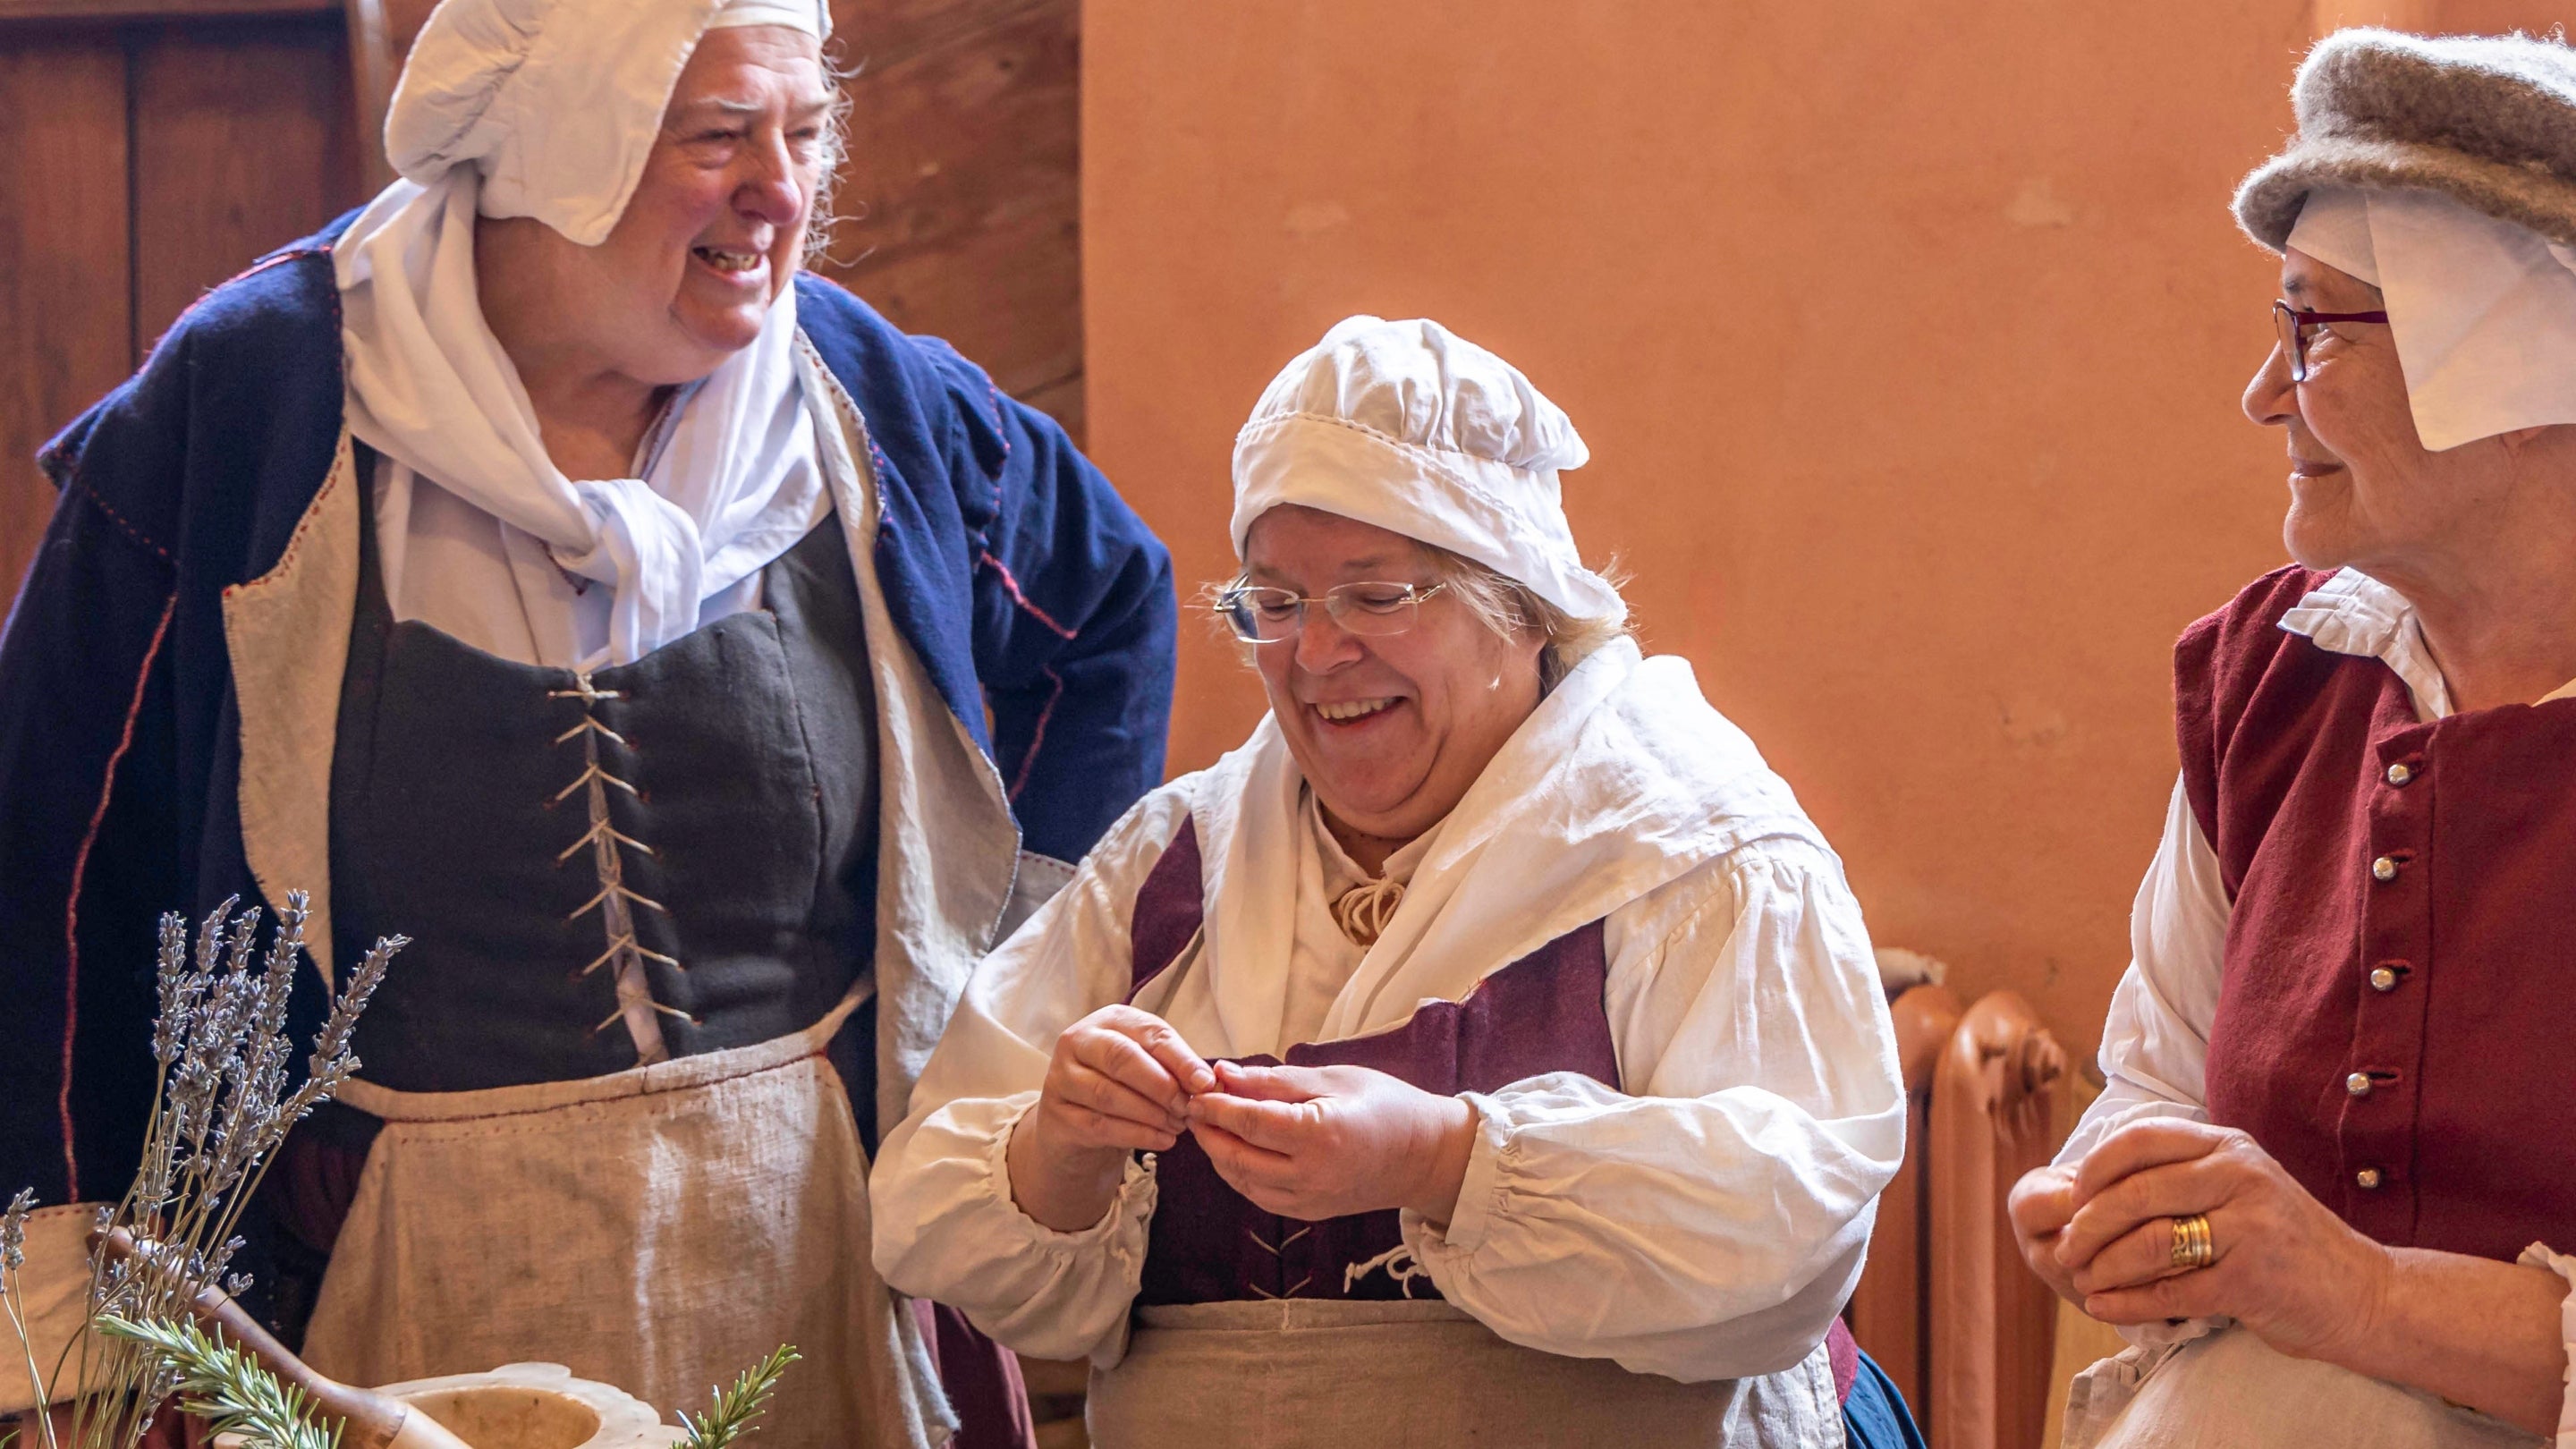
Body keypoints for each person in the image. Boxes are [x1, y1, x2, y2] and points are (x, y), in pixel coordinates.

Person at [0, 1, 1175, 1445]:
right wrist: (63, 1313)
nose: (783, 189)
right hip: (393, 1301)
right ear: (561, 142)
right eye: (721, 136)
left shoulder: (858, 402)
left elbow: (1108, 607)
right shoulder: (260, 407)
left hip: (823, 1259)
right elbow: (47, 858)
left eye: (807, 134)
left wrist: (1022, 980)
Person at [871, 315, 1921, 1447]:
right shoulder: (1174, 863)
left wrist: (1443, 1158)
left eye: (1375, 597)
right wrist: (1060, 1145)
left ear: (1516, 606)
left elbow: (1790, 1239)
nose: (1317, 655)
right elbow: (935, 1208)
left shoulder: (1690, 847)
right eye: (1276, 603)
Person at [2007, 28, 2576, 1449]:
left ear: (2508, 364)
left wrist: (2361, 1298)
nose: (2266, 395)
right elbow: (2163, 1065)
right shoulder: (2280, 677)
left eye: (2315, 329)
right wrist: (2115, 1203)